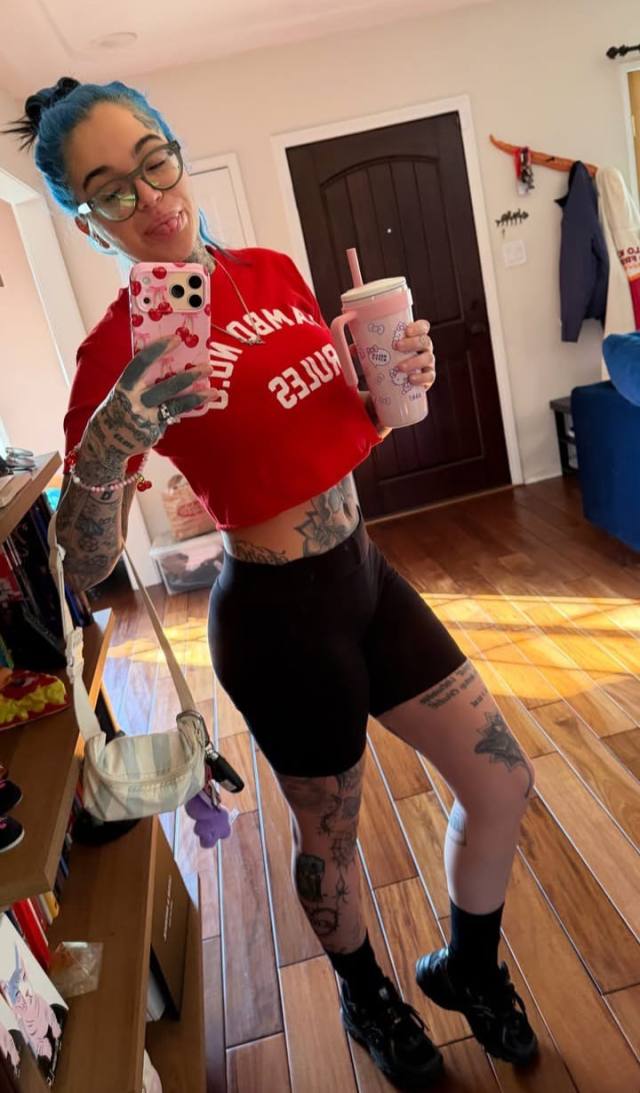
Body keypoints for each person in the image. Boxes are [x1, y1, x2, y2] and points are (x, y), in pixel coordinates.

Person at [6, 77, 538, 1088]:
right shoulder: (114, 351)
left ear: (176, 152)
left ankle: (467, 967)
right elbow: (80, 562)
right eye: (111, 190)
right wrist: (116, 434)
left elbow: (339, 424)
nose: (149, 197)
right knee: (331, 839)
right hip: (278, 622)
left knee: (502, 779)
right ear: (85, 220)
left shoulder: (272, 271)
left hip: (366, 574)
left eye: (155, 162)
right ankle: (364, 991)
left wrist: (397, 378)